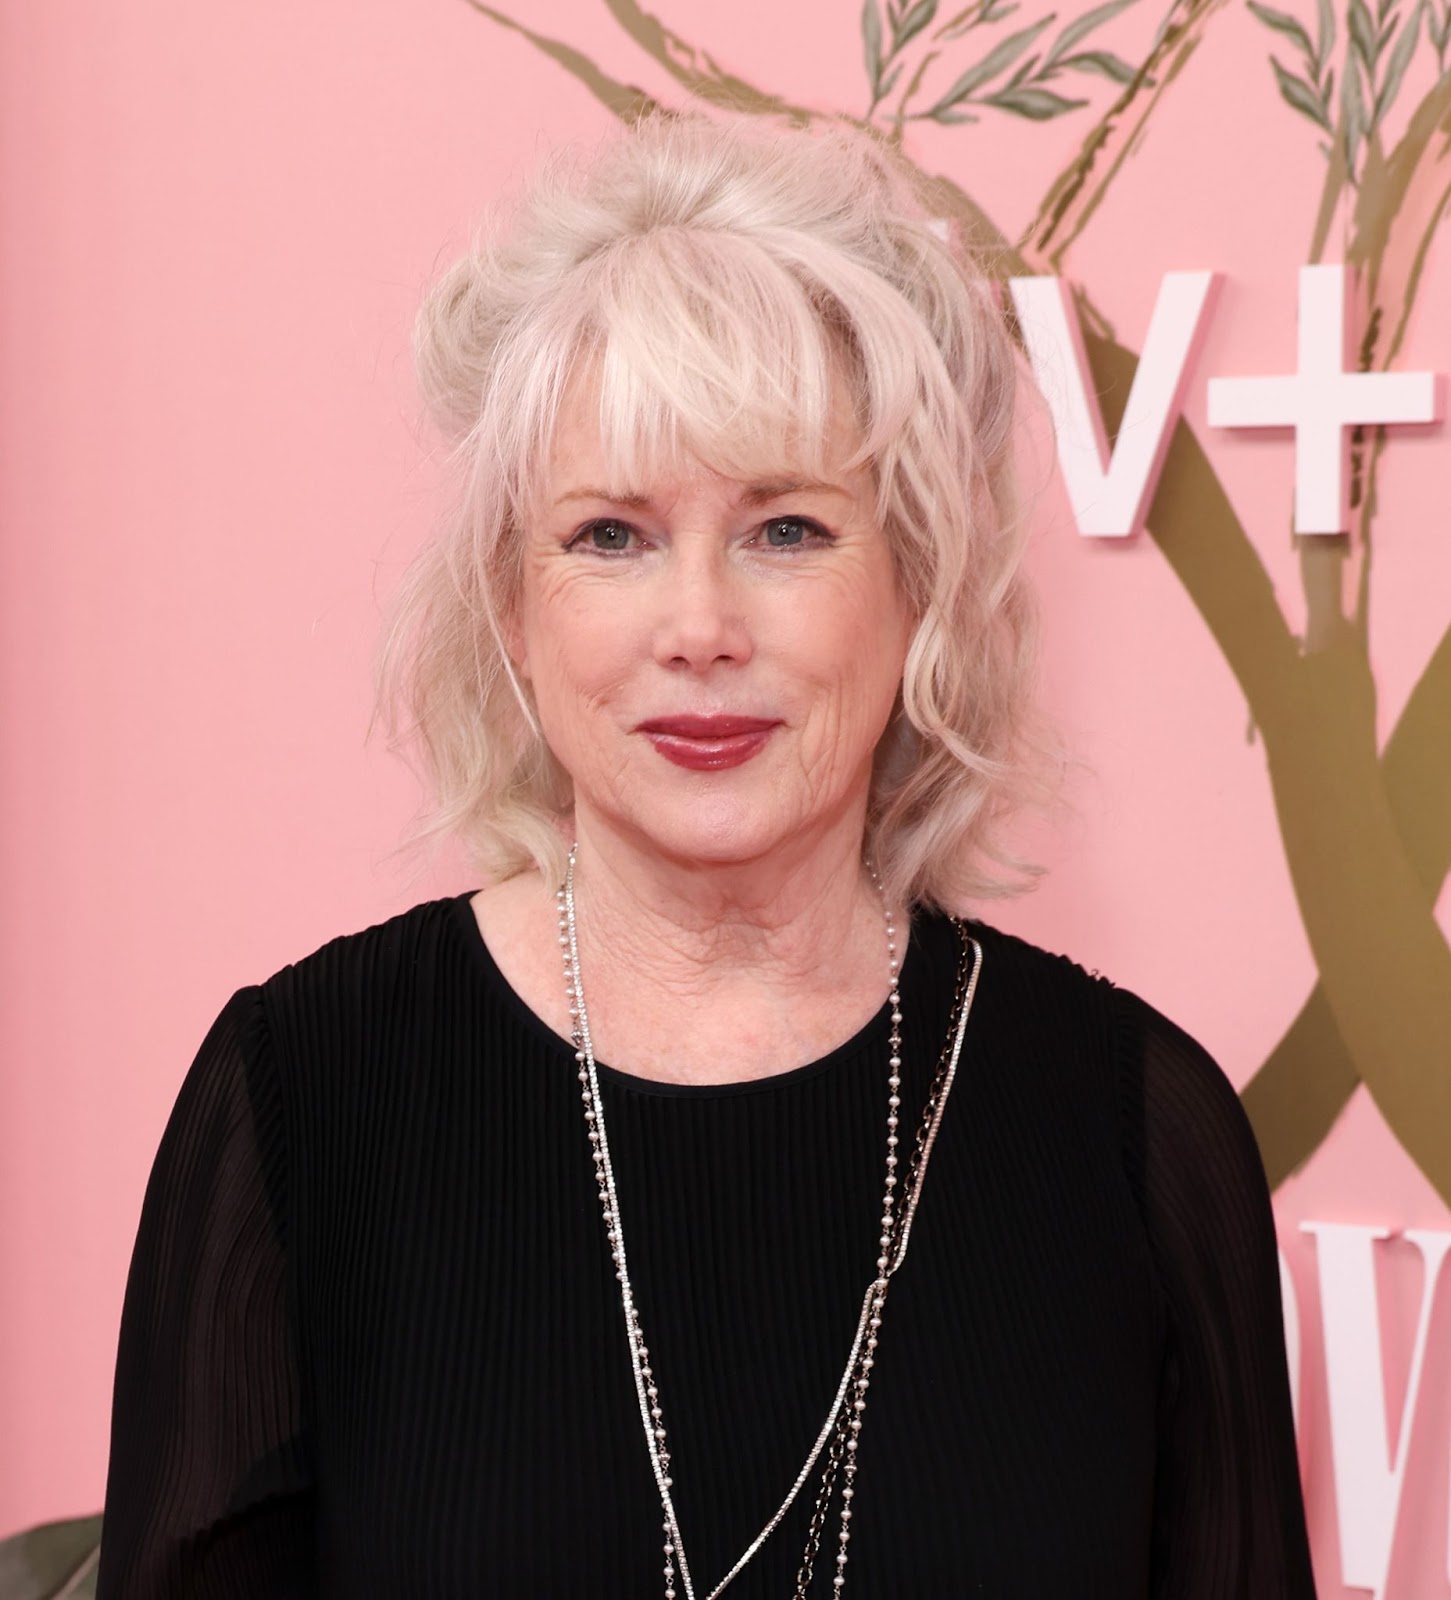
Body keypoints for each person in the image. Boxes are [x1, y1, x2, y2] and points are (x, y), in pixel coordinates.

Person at [95, 112, 1317, 1598]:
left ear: (918, 589)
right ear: (512, 611)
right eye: (610, 535)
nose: (699, 628)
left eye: (788, 529)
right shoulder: (298, 1105)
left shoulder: (1139, 1135)